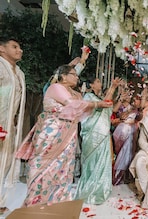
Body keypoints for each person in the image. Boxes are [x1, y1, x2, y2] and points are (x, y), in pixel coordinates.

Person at [15, 65, 112, 207]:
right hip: (51, 133)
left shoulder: (75, 93)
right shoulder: (56, 88)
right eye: (74, 74)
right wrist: (97, 104)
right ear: (64, 76)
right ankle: (35, 203)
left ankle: (57, 205)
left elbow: (82, 109)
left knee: (64, 169)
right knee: (44, 166)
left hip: (68, 135)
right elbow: (73, 105)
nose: (77, 77)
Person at [74, 76, 120, 205]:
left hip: (103, 133)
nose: (100, 83)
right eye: (98, 81)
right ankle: (89, 190)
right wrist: (113, 87)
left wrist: (113, 88)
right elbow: (104, 105)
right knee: (92, 161)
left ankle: (100, 189)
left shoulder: (97, 98)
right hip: (93, 135)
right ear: (91, 85)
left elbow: (108, 106)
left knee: (102, 161)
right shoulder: (88, 97)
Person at [0, 37, 26, 213]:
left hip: (10, 125)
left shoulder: (20, 73)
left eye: (20, 47)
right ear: (2, 49)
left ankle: (1, 201)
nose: (20, 50)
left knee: (6, 162)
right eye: (14, 47)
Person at [112, 89, 143, 185]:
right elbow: (121, 116)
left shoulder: (134, 108)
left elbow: (139, 118)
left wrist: (139, 109)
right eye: (127, 94)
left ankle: (126, 176)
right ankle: (117, 176)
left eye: (130, 94)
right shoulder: (119, 107)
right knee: (121, 154)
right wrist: (129, 110)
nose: (129, 96)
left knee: (128, 153)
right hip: (120, 132)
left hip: (131, 133)